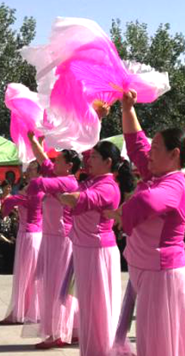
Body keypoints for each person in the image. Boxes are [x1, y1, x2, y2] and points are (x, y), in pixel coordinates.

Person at [102, 89, 185, 356]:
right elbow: (137, 145)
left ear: (175, 154)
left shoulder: (175, 184)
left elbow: (148, 203)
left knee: (159, 348)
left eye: (156, 149)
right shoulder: (158, 171)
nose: (149, 154)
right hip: (149, 273)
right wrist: (127, 109)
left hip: (164, 279)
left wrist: (122, 213)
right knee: (152, 345)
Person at [59, 141, 127, 356]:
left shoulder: (107, 186)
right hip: (85, 250)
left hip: (98, 252)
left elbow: (73, 199)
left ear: (108, 162)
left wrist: (65, 195)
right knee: (89, 307)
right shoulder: (92, 182)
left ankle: (103, 351)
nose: (89, 160)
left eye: (95, 157)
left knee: (99, 308)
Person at [24, 135, 82, 349]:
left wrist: (30, 185)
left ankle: (58, 332)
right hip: (51, 239)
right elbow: (42, 160)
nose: (54, 161)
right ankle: (71, 329)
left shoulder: (68, 181)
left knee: (58, 287)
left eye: (59, 160)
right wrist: (32, 139)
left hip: (61, 240)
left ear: (69, 166)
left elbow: (38, 182)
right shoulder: (57, 176)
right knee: (55, 286)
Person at [0, 161, 44, 326]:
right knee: (26, 274)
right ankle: (25, 310)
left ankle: (28, 311)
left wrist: (9, 201)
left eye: (31, 168)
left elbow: (13, 204)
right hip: (28, 234)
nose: (27, 171)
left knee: (29, 274)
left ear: (38, 171)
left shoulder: (37, 189)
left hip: (31, 235)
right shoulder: (31, 187)